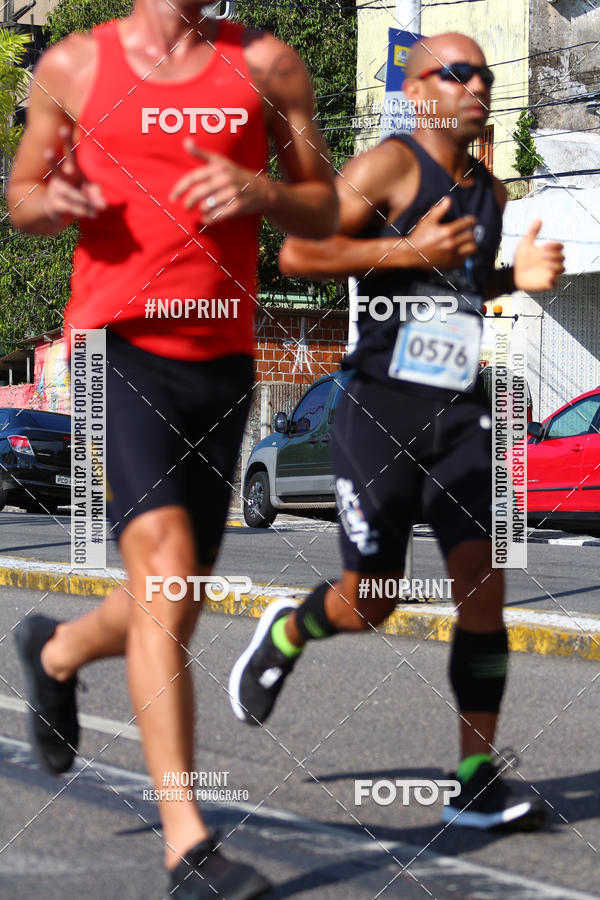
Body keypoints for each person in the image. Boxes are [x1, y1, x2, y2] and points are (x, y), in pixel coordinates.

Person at [8, 1, 338, 896]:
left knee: (174, 598)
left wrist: (266, 193)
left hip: (224, 360)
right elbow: (22, 195)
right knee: (167, 569)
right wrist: (55, 202)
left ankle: (57, 651)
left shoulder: (268, 64)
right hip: (123, 348)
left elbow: (327, 202)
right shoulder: (74, 65)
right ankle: (189, 844)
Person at [229, 32, 565, 831]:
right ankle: (290, 628)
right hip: (379, 413)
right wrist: (403, 245)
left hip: (461, 414)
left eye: (481, 73)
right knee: (371, 600)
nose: (475, 84)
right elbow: (302, 255)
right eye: (456, 73)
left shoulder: (491, 190)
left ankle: (476, 779)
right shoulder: (389, 164)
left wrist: (516, 276)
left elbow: (466, 279)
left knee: (485, 591)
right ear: (417, 90)